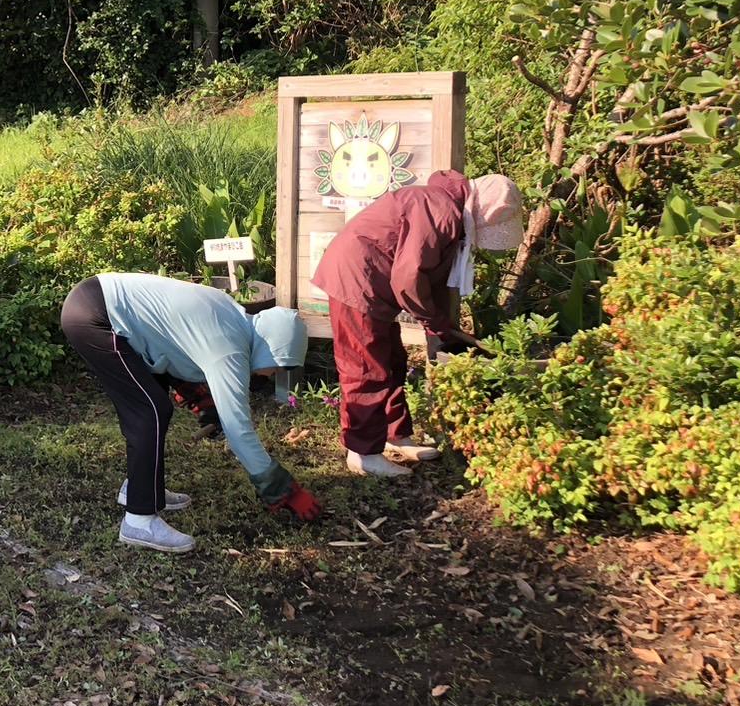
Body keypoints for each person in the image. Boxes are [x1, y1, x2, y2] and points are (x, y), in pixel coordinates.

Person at [60, 273, 322, 554]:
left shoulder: (233, 317)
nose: (272, 374)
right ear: (271, 348)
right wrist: (283, 488)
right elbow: (239, 431)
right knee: (150, 411)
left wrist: (195, 392)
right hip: (97, 316)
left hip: (95, 301)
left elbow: (173, 345)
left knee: (153, 400)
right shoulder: (230, 348)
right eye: (278, 365)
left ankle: (141, 489)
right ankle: (139, 520)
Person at [312, 171, 524, 478]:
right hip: (358, 280)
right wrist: (435, 321)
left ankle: (394, 434)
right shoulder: (441, 211)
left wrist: (442, 326)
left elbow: (427, 275)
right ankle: (363, 453)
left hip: (372, 282)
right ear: (486, 211)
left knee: (392, 360)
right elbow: (409, 278)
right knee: (366, 366)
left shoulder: (446, 209)